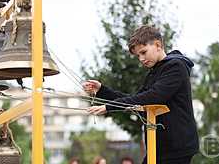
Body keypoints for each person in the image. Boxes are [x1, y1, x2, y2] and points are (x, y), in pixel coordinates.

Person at [83, 25, 199, 164]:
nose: (141, 59)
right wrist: (102, 90)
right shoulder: (155, 72)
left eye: (143, 52)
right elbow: (136, 98)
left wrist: (109, 107)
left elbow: (153, 97)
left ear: (158, 45)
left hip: (176, 149)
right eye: (138, 55)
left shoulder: (176, 67)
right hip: (157, 147)